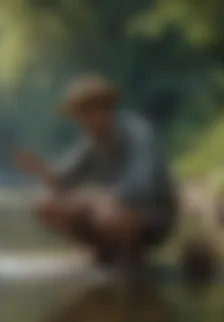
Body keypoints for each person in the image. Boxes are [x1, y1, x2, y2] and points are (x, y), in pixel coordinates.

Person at [14, 74, 178, 269]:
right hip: (109, 212)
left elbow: (142, 183)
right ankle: (104, 250)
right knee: (46, 206)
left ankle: (134, 253)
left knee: (105, 211)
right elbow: (64, 179)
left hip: (151, 216)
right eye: (79, 115)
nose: (82, 121)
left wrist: (100, 199)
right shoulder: (91, 142)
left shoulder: (137, 131)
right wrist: (40, 170)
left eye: (85, 113)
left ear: (104, 109)